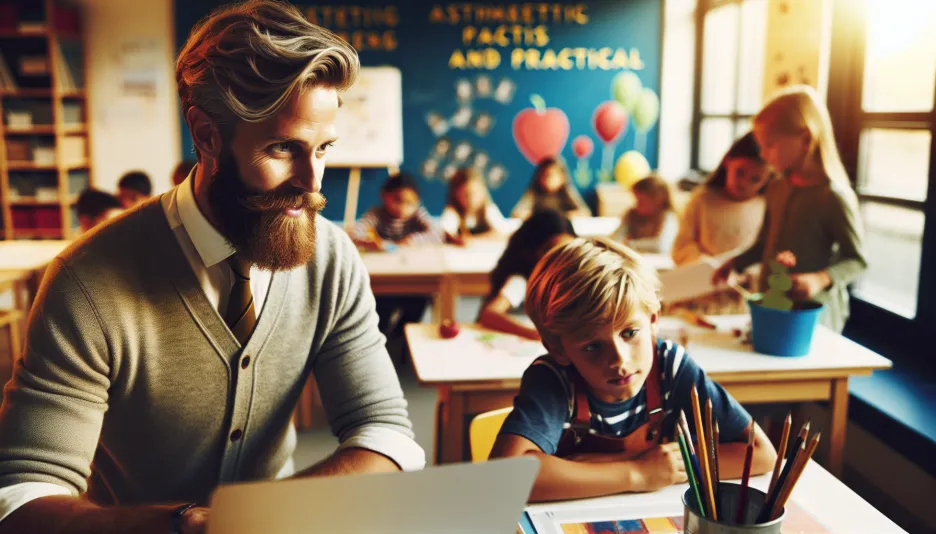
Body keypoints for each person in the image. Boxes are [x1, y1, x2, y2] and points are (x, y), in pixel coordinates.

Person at [0, 3, 424, 533]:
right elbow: (20, 498)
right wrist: (184, 525)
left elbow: (385, 433)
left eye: (323, 149)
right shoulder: (87, 282)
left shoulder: (331, 259)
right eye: (281, 149)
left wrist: (251, 518)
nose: (312, 183)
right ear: (205, 136)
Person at [490, 238, 776, 502]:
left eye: (629, 333)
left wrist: (641, 463)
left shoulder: (670, 367)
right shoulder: (552, 379)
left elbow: (760, 455)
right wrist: (637, 473)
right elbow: (506, 479)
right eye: (592, 346)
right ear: (558, 349)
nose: (619, 359)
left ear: (653, 321)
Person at [713, 86, 866, 333]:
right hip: (770, 306)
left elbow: (857, 259)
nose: (762, 154)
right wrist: (735, 263)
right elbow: (764, 244)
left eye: (769, 145)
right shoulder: (775, 189)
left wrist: (819, 279)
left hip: (814, 318)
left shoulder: (833, 197)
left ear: (806, 139)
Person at [672, 133, 769, 266]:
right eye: (740, 172)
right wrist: (706, 263)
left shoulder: (765, 205)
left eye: (755, 179)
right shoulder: (702, 199)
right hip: (704, 278)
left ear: (767, 179)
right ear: (727, 162)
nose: (744, 183)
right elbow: (681, 247)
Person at [477, 210, 576, 340]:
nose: (563, 259)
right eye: (554, 252)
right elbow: (489, 315)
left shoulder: (569, 278)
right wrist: (534, 334)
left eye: (569, 251)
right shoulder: (522, 281)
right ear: (535, 252)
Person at [351, 172, 442, 250]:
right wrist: (369, 242)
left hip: (412, 260)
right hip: (385, 261)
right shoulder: (376, 214)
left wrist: (412, 240)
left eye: (410, 203)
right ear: (384, 196)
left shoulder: (417, 213)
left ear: (417, 202)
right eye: (397, 200)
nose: (403, 207)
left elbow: (437, 234)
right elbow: (354, 233)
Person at [440, 167, 510, 245]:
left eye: (475, 193)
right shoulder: (453, 212)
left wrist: (471, 240)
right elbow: (447, 233)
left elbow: (501, 234)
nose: (471, 200)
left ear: (483, 192)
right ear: (455, 195)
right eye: (466, 195)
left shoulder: (488, 209)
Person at [612, 175, 679, 254]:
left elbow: (662, 246)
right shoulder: (632, 215)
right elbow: (615, 239)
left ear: (658, 200)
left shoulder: (668, 217)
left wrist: (630, 243)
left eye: (641, 202)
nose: (636, 206)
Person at [511, 156, 591, 220]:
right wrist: (539, 218)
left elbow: (585, 213)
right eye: (545, 175)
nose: (549, 180)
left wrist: (562, 217)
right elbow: (517, 213)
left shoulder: (567, 191)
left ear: (563, 177)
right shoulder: (534, 192)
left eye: (553, 175)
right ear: (538, 177)